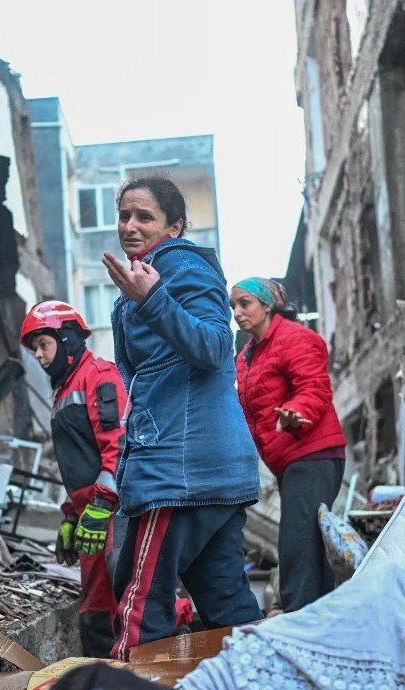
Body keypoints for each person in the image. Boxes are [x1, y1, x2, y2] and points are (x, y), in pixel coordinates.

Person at [102, 176, 262, 661]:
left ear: (175, 225)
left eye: (144, 217)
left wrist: (152, 300)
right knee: (227, 605)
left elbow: (216, 347)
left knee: (139, 602)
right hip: (207, 469)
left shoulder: (178, 265)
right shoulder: (144, 276)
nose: (130, 226)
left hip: (181, 472)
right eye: (124, 216)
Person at [231, 277, 347, 612]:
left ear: (267, 305)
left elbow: (315, 388)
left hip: (313, 453)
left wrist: (295, 413)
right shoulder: (247, 356)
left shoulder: (295, 338)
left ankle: (299, 620)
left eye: (245, 303)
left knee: (298, 546)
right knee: (309, 545)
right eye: (233, 306)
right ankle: (320, 620)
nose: (237, 312)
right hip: (288, 459)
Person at [19, 301, 128, 657]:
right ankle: (106, 680)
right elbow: (76, 460)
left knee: (125, 596)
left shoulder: (99, 376)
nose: (38, 355)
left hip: (112, 512)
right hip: (89, 516)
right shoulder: (63, 391)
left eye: (44, 344)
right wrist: (70, 514)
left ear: (66, 340)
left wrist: (100, 504)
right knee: (96, 605)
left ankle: (183, 636)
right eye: (34, 347)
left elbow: (118, 445)